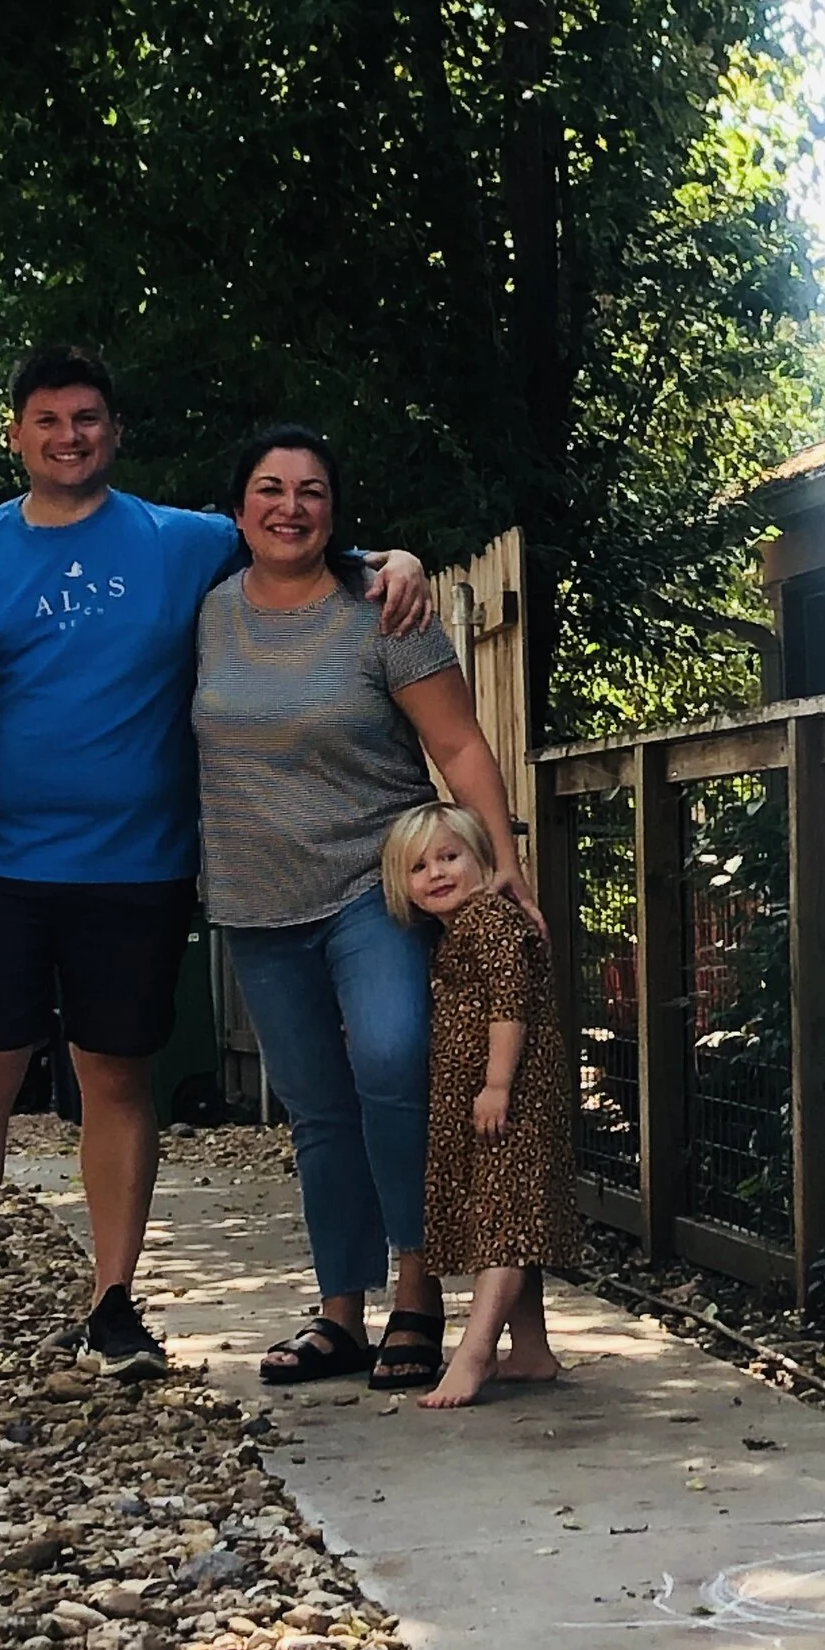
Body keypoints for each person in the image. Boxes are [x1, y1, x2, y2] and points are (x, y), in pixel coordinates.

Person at [0, 345, 432, 1403]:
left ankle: (114, 1306)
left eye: (87, 419)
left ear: (115, 432)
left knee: (116, 1077)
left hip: (136, 868)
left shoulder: (180, 541)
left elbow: (295, 540)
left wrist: (392, 558)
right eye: (47, 421)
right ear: (16, 436)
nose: (69, 437)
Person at [193, 424, 539, 1394]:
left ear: (335, 511)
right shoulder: (207, 611)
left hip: (374, 885)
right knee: (315, 1105)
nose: (290, 507)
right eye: (269, 489)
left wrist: (504, 860)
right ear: (238, 511)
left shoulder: (385, 607)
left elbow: (459, 744)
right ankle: (340, 1312)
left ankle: (417, 1291)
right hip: (257, 898)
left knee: (392, 1060)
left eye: (311, 490)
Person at [376, 802, 578, 1409]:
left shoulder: (491, 921)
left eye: (449, 857)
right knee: (507, 1215)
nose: (436, 873)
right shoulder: (458, 930)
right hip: (494, 1094)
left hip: (515, 1094)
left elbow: (509, 1005)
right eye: (419, 866)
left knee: (504, 1226)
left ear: (482, 860)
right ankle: (532, 1348)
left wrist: (497, 1083)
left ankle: (475, 1353)